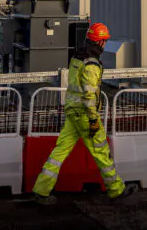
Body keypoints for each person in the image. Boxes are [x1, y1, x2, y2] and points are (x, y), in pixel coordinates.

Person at [32, 22, 135, 205]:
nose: (105, 44)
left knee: (60, 151)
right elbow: (89, 94)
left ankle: (41, 190)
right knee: (101, 152)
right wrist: (94, 119)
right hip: (86, 115)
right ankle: (116, 189)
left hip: (72, 111)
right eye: (104, 41)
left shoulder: (77, 57)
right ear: (100, 42)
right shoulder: (92, 64)